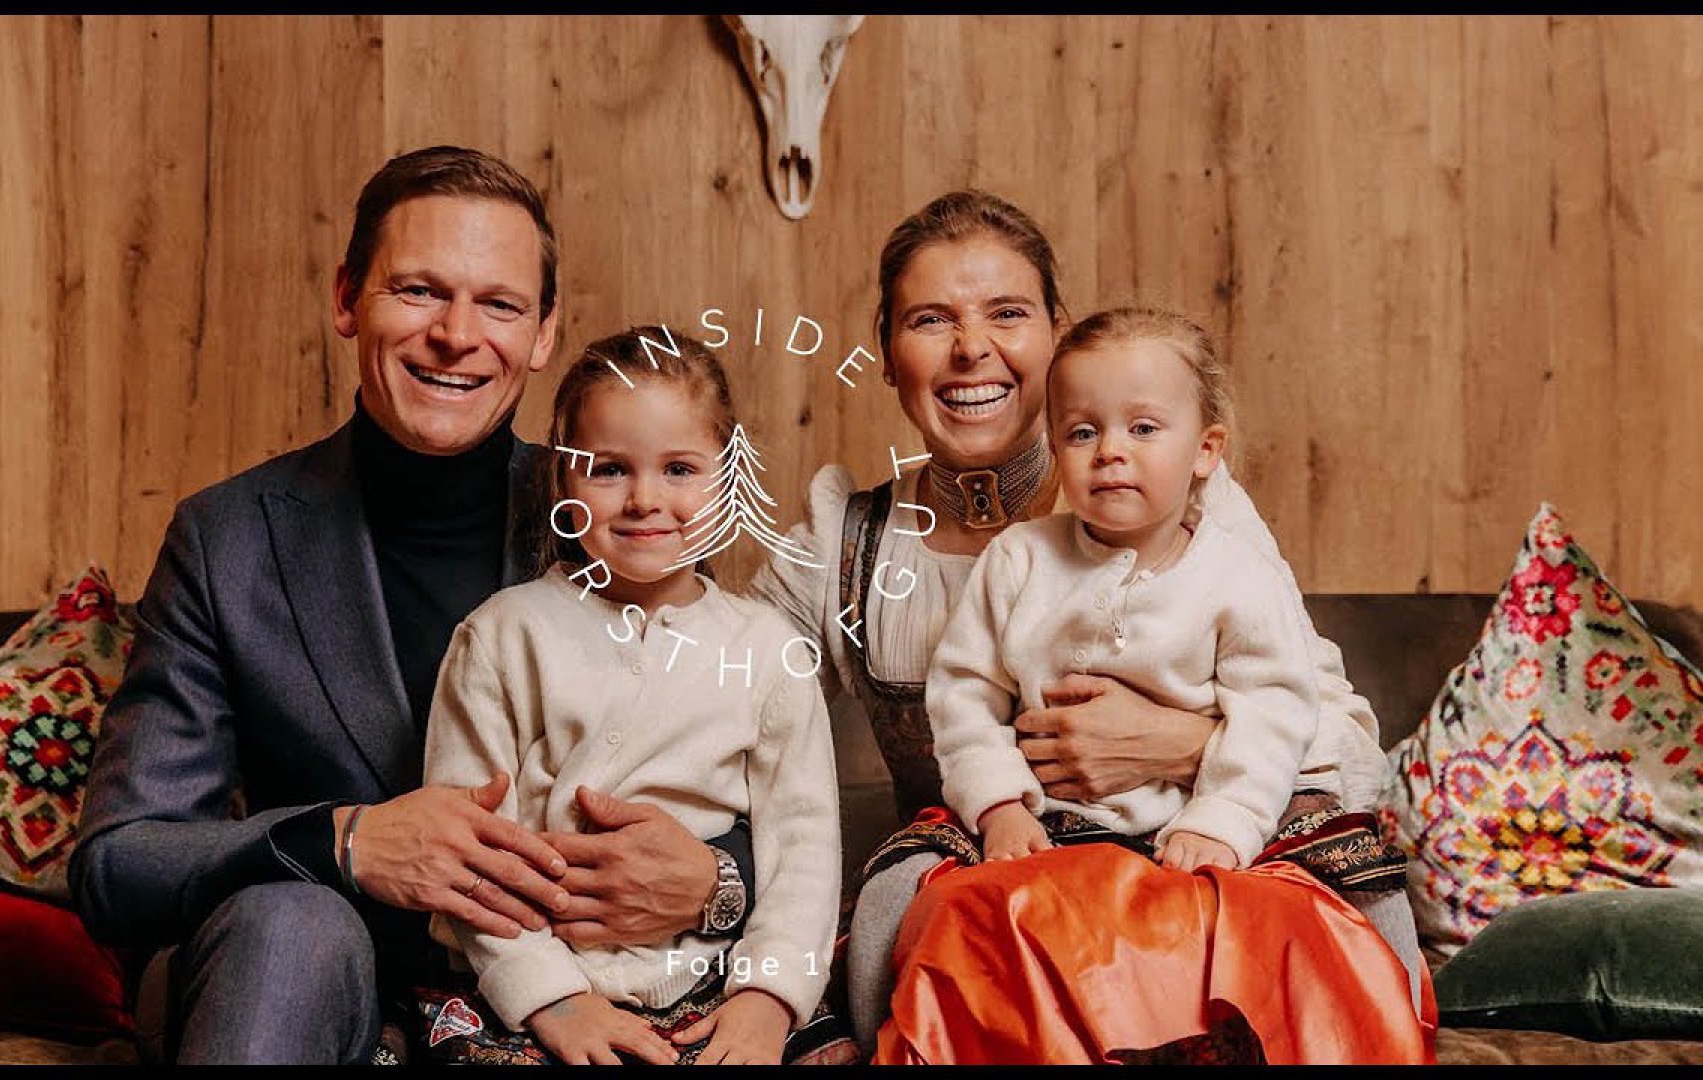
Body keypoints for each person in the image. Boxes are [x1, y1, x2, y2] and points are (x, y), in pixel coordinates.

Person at [70, 148, 755, 1065]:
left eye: (499, 304)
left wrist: (714, 880)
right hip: (310, 977)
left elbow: (762, 794)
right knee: (290, 926)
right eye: (419, 291)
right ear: (347, 299)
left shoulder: (626, 516)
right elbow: (118, 862)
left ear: (543, 332)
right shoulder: (226, 540)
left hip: (578, 991)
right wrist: (345, 841)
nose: (456, 334)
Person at [748, 190, 1425, 1056]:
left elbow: (1348, 747)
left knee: (1355, 898)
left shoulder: (1194, 510)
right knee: (888, 913)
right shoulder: (847, 545)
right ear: (886, 352)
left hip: (1201, 829)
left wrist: (1185, 743)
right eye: (930, 320)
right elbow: (718, 710)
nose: (971, 348)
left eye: (1007, 313)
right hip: (1007, 861)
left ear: (1056, 335)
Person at [902, 306, 1427, 1062]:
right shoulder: (1019, 560)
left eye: (1143, 429)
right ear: (1055, 447)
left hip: (1197, 812)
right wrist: (998, 806)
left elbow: (1275, 710)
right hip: (1053, 817)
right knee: (899, 899)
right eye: (1083, 433)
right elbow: (963, 695)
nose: (1111, 452)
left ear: (1205, 450)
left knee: (1349, 895)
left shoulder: (1237, 574)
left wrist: (1224, 818)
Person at [418, 329, 842, 1065]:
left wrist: (769, 999)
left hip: (720, 987)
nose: (646, 500)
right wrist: (554, 1001)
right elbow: (474, 854)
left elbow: (804, 850)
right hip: (539, 992)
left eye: (679, 469)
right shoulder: (502, 638)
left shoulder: (768, 651)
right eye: (610, 469)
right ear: (563, 481)